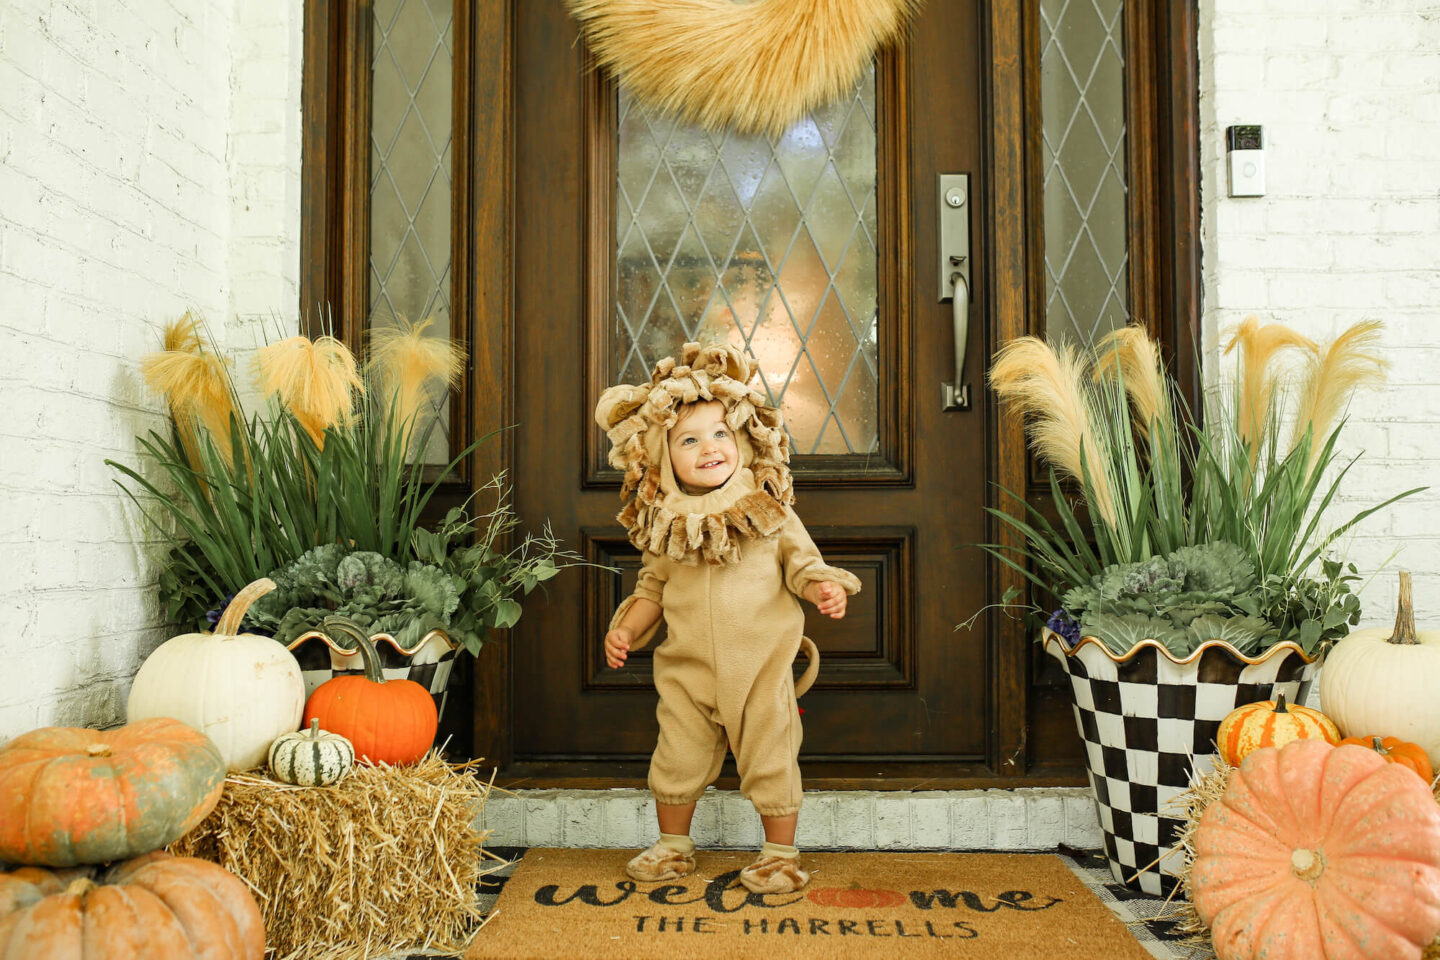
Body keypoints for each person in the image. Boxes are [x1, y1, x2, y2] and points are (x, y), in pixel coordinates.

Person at [594, 342, 861, 895]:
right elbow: (652, 589)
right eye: (688, 440)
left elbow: (802, 565)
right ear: (662, 458)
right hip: (688, 671)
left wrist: (823, 588)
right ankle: (673, 846)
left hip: (759, 670)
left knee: (769, 756)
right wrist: (626, 630)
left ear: (743, 439)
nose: (708, 447)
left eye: (721, 434)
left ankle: (779, 854)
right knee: (677, 756)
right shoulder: (668, 524)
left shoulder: (769, 510)